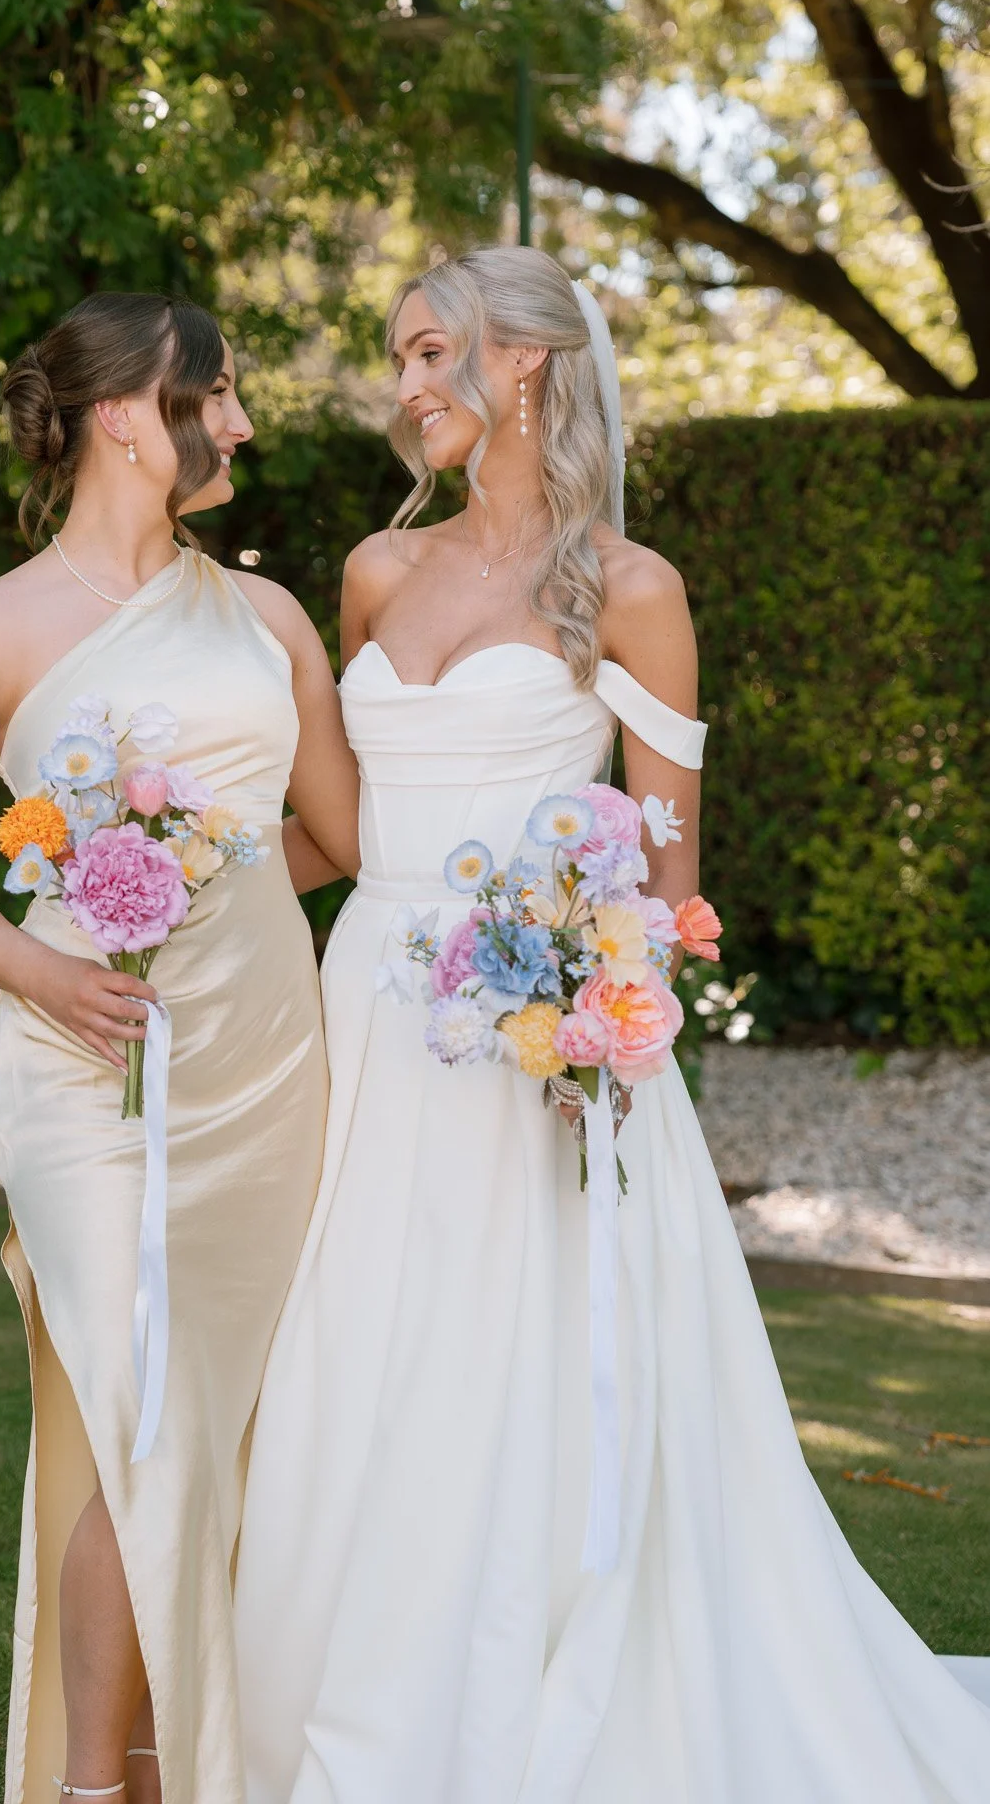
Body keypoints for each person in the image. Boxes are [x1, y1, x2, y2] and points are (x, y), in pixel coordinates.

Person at [233, 246, 990, 1803]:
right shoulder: (378, 574)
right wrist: (188, 889)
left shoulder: (632, 592)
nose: (407, 386)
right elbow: (343, 829)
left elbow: (664, 872)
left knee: (516, 1367)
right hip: (371, 1018)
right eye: (398, 357)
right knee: (369, 1356)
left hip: (538, 1050)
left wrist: (590, 1011)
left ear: (524, 365)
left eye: (430, 351)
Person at [0, 293, 359, 1804]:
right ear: (122, 415)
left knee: (208, 1427)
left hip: (258, 1070)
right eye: (215, 396)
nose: (238, 423)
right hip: (81, 1073)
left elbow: (339, 842)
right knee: (134, 1411)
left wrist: (200, 891)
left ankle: (161, 1764)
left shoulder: (273, 618)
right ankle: (96, 1784)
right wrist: (53, 967)